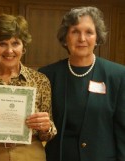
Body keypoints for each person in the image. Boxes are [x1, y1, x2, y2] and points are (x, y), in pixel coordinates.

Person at [39, 6, 125, 161]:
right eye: (75, 31)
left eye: (89, 32)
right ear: (65, 37)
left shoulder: (118, 75)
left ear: (97, 37)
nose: (82, 38)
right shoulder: (47, 75)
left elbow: (122, 131)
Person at [0, 14, 57, 161]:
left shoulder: (40, 81)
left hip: (30, 153)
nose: (9, 51)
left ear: (24, 47)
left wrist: (46, 127)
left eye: (15, 43)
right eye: (2, 44)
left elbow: (48, 135)